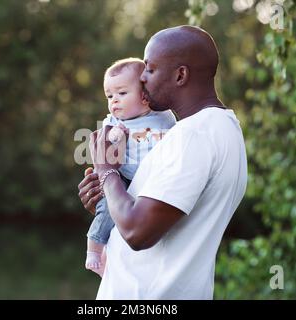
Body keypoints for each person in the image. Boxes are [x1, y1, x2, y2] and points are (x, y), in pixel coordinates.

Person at [78, 25, 248, 299]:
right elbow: (152, 218)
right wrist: (108, 199)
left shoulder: (192, 136)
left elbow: (137, 232)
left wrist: (107, 170)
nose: (142, 78)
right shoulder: (224, 127)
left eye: (150, 69)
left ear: (180, 75)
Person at [85, 58, 176, 276]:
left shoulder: (164, 117)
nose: (114, 101)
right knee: (107, 208)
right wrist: (116, 138)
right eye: (109, 96)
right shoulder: (115, 123)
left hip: (151, 183)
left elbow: (174, 133)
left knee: (139, 220)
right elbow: (105, 147)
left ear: (145, 96)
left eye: (122, 93)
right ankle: (95, 249)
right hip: (123, 177)